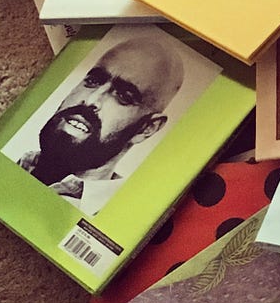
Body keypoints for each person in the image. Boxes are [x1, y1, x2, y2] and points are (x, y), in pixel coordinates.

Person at [18, 34, 186, 212]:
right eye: (93, 81)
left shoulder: (121, 214)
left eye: (123, 96)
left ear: (147, 128)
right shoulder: (12, 165)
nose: (91, 100)